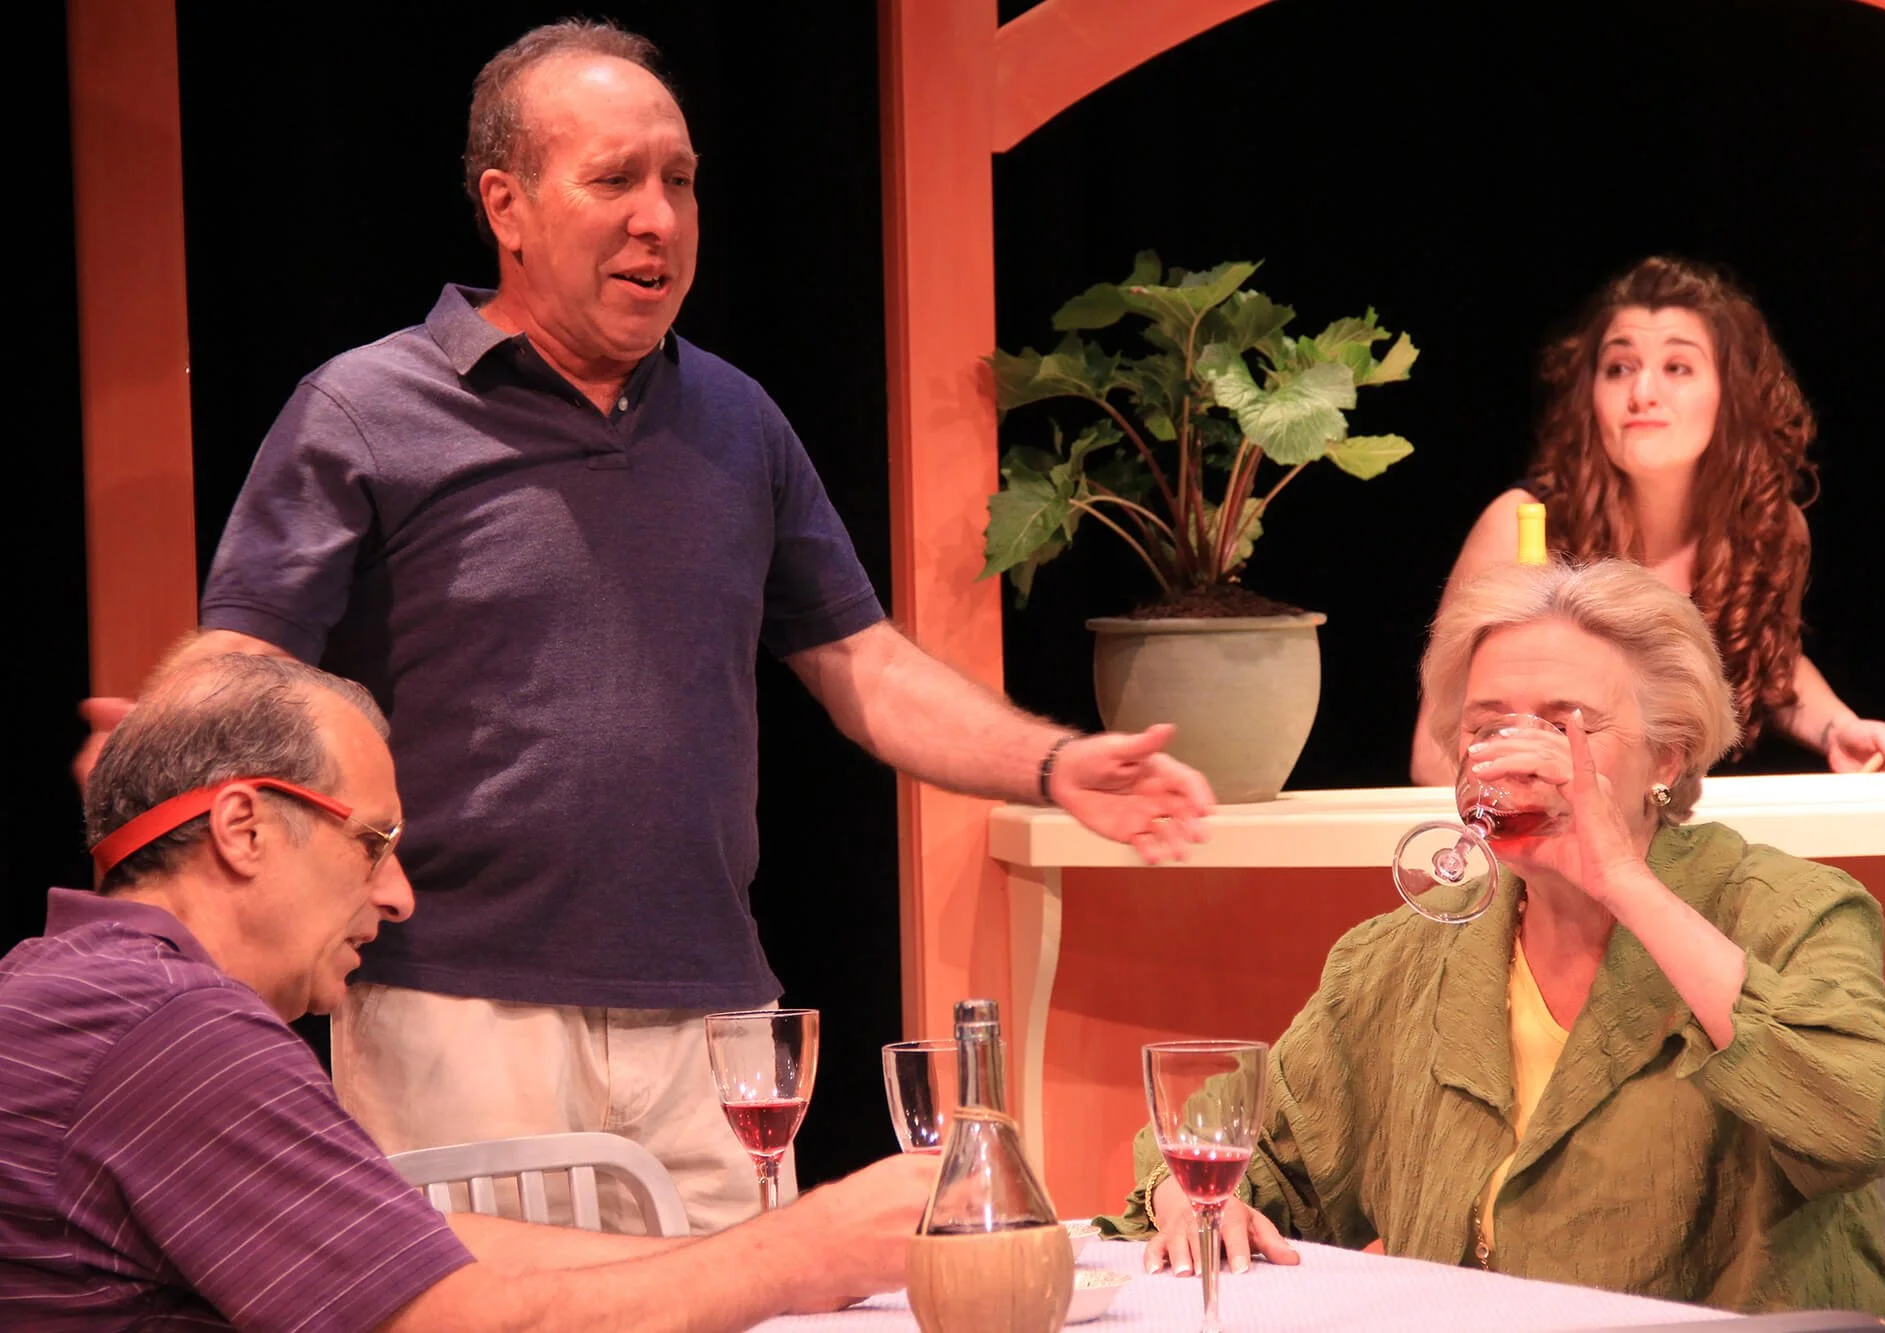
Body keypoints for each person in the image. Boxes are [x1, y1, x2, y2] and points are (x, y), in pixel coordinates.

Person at [72, 19, 1212, 1233]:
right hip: (456, 1007)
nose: (658, 218)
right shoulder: (363, 410)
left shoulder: (737, 418)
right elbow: (250, 664)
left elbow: (859, 663)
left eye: (678, 181)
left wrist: (1050, 762)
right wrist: (164, 753)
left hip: (711, 1020)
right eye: (615, 180)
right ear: (507, 207)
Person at [4, 653, 936, 1331]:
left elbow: (416, 1247)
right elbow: (456, 1315)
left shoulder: (81, 990)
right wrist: (799, 1250)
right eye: (374, 842)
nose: (399, 895)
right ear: (244, 827)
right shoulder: (172, 1034)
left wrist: (798, 1260)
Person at [1114, 560, 1885, 1318]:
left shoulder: (1790, 911)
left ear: (1668, 753)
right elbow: (1235, 1145)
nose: (1519, 755)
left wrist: (1627, 885)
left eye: (1566, 724)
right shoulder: (1405, 953)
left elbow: (1857, 1120)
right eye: (1488, 726)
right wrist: (1188, 1199)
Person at [1410, 256, 1885, 784]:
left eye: (1677, 368)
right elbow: (1434, 754)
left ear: (1732, 394)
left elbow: (1768, 662)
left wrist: (1837, 728)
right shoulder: (1525, 526)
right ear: (1590, 397)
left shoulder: (1772, 529)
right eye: (1619, 368)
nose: (1642, 393)